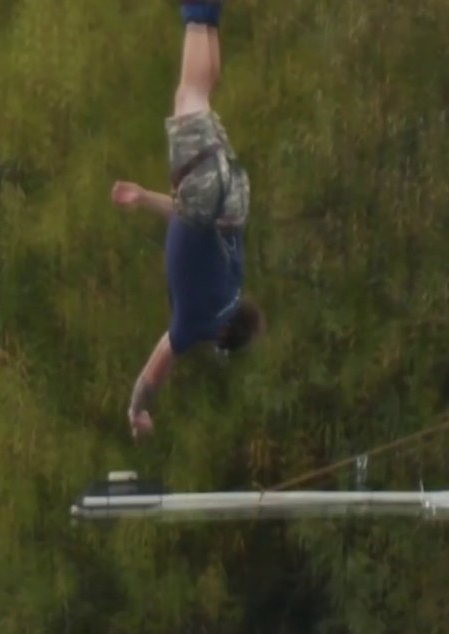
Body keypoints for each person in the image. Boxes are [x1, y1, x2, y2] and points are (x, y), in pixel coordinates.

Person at [111, 0, 264, 439]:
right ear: (219, 341)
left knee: (200, 94)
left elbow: (183, 222)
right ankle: (200, 11)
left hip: (229, 198)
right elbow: (151, 375)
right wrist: (137, 410)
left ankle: (208, 14)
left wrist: (143, 198)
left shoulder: (234, 284)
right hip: (206, 202)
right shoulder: (194, 324)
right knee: (189, 95)